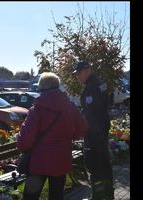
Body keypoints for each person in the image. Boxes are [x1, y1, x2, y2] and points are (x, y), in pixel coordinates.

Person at [16, 72, 88, 200]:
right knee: (56, 195)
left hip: (39, 162)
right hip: (61, 159)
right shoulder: (69, 106)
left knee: (31, 196)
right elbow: (82, 128)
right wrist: (69, 137)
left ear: (41, 88)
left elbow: (25, 140)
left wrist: (20, 142)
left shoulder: (37, 108)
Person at [73, 61, 114, 200]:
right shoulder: (100, 84)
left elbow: (90, 114)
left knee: (94, 166)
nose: (78, 77)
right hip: (102, 131)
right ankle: (108, 194)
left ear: (88, 70)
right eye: (76, 74)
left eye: (79, 73)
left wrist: (82, 128)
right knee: (105, 164)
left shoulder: (90, 88)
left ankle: (97, 196)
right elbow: (106, 105)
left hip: (93, 134)